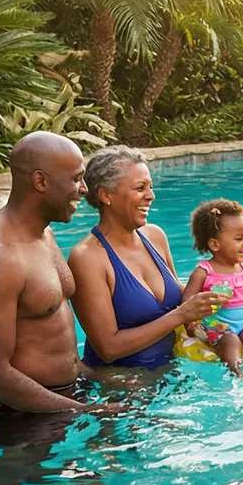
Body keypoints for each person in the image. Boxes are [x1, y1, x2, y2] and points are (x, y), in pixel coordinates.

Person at [0, 131, 102, 424]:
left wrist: (100, 380)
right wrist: (86, 411)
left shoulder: (44, 234)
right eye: (76, 178)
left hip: (64, 395)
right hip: (18, 413)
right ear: (40, 182)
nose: (84, 189)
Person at [68, 145, 223, 370]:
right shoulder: (87, 258)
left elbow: (180, 296)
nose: (151, 196)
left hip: (171, 376)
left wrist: (231, 298)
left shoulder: (154, 236)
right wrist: (180, 316)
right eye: (140, 188)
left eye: (150, 186)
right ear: (106, 195)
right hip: (121, 390)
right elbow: (108, 348)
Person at [181, 198, 243, 375]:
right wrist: (192, 326)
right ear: (214, 244)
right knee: (230, 341)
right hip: (218, 327)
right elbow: (187, 302)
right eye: (238, 238)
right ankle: (238, 371)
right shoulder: (204, 272)